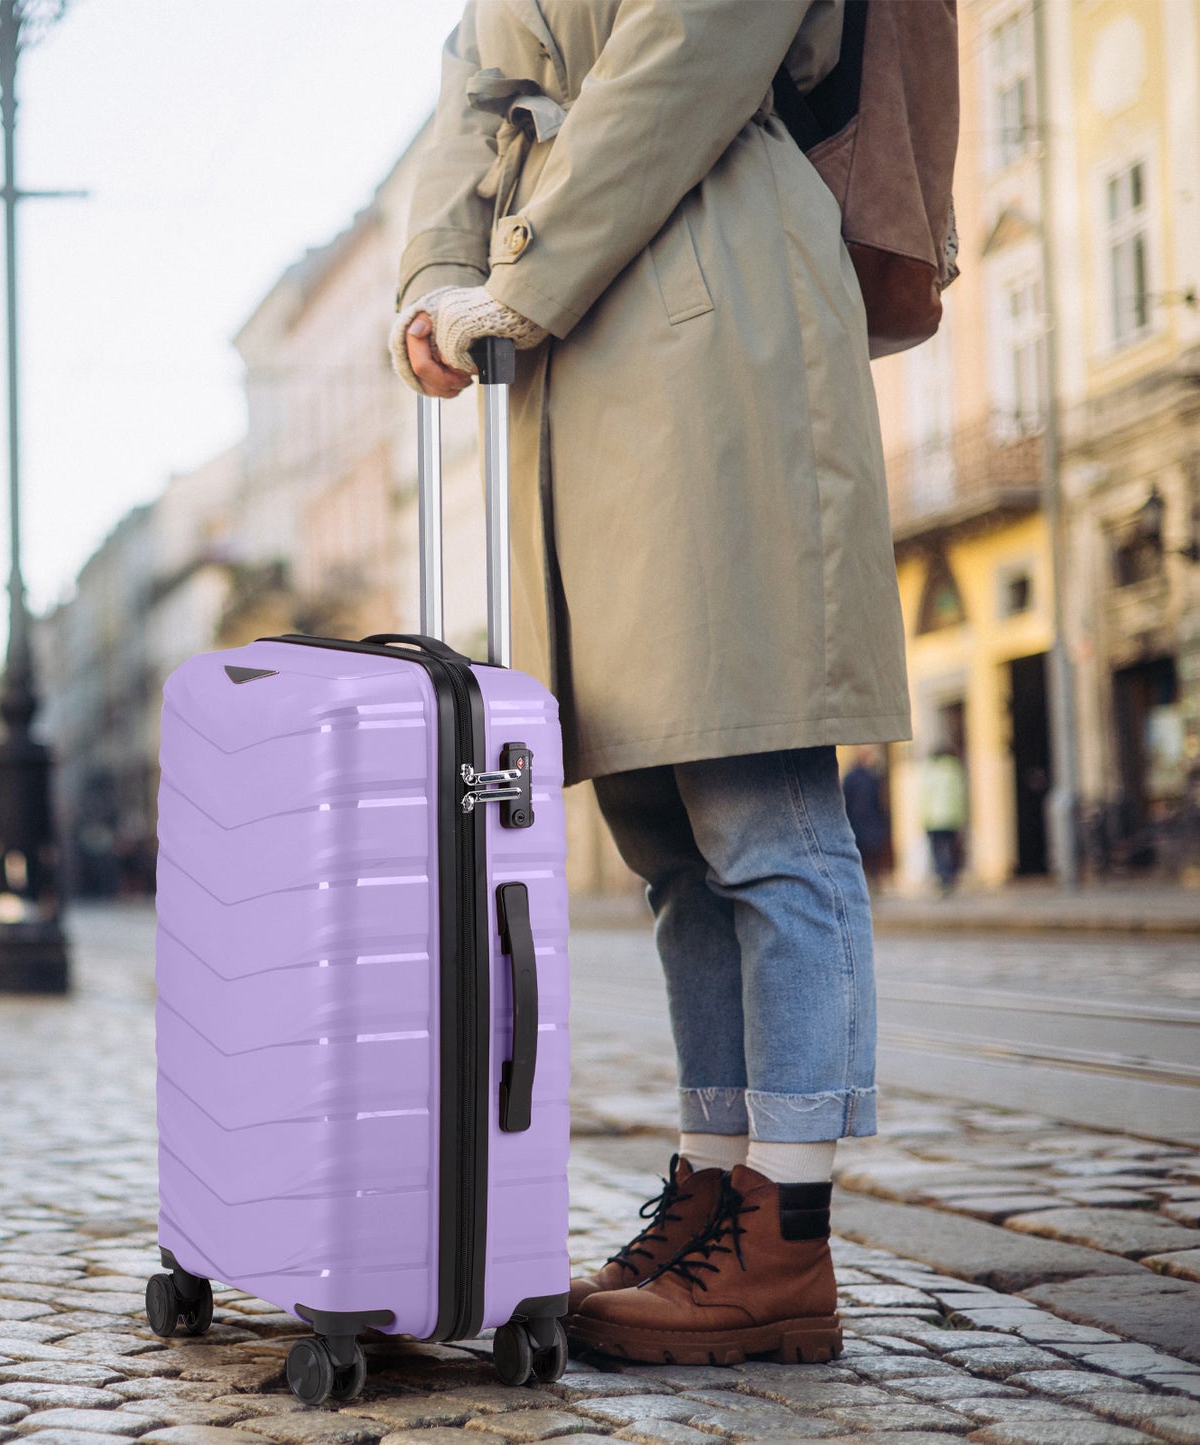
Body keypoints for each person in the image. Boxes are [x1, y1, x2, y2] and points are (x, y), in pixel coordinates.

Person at [391, 1, 910, 1365]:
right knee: (665, 832)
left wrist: (517, 276)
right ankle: (711, 1189)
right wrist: (430, 278)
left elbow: (689, 52)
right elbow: (471, 86)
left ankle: (785, 1231)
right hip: (571, 339)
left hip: (708, 288)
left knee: (757, 794)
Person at [920, 745, 968, 895]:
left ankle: (943, 878)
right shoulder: (954, 770)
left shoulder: (930, 771)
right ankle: (950, 877)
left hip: (934, 819)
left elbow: (924, 797)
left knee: (938, 850)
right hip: (951, 817)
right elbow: (960, 796)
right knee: (950, 848)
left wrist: (923, 818)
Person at [842, 748, 891, 887]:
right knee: (867, 851)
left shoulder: (866, 777)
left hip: (864, 820)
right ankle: (869, 879)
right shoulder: (866, 777)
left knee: (869, 851)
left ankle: (870, 879)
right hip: (863, 820)